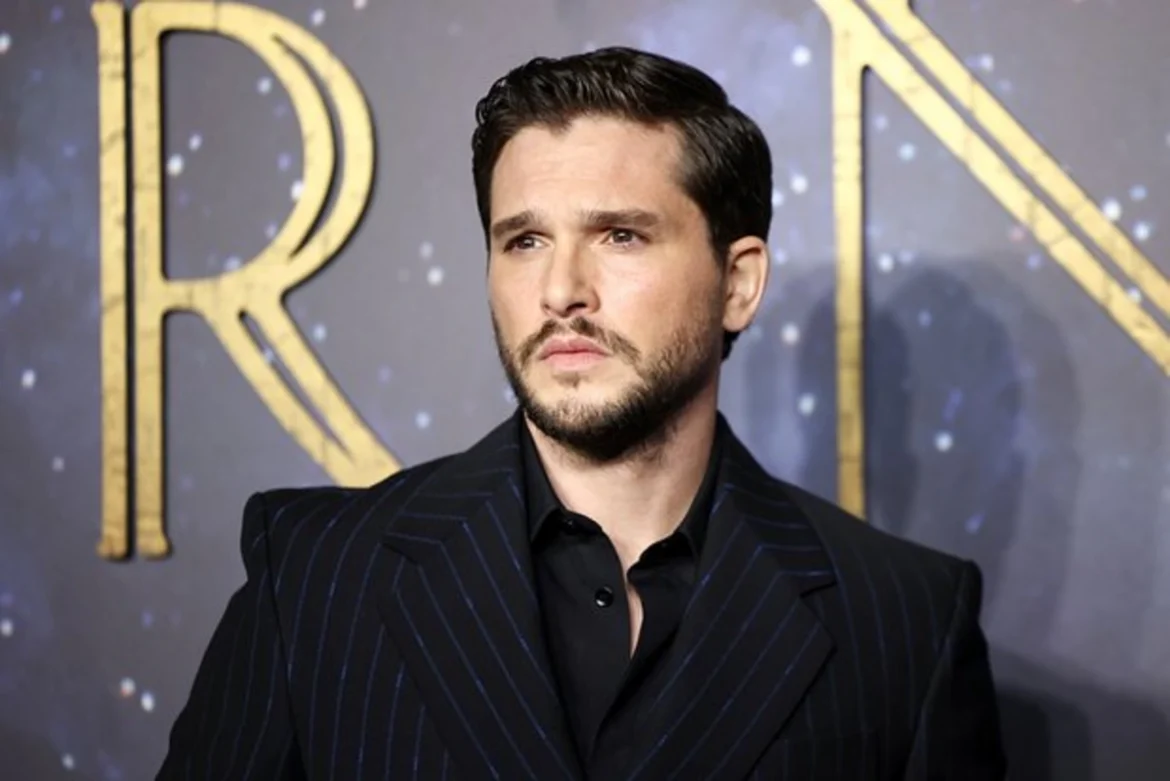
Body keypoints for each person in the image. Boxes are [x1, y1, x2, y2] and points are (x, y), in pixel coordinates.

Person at [158, 46, 1005, 780]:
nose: (561, 290)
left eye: (619, 236)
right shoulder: (314, 579)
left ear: (739, 282)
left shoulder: (905, 619)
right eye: (524, 241)